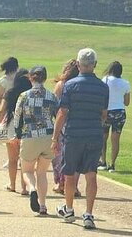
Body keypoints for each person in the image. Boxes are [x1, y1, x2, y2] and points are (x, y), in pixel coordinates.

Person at [52, 48, 109, 230]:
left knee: (69, 174)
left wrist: (55, 137)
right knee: (91, 175)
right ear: (95, 65)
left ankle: (69, 209)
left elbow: (62, 113)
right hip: (94, 134)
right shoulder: (103, 87)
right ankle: (89, 214)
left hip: (74, 134)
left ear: (78, 64)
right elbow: (103, 114)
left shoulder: (70, 85)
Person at [14, 66, 58, 216]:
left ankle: (32, 189)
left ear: (30, 78)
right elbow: (58, 117)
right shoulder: (52, 96)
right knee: (42, 173)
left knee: (27, 170)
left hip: (30, 135)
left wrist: (17, 133)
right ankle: (43, 205)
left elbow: (17, 117)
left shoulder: (24, 96)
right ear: (45, 78)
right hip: (48, 136)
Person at [0, 69, 31, 195]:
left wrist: (0, 125)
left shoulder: (10, 93)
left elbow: (1, 111)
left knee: (12, 159)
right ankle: (24, 188)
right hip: (26, 126)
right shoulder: (29, 94)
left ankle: (12, 184)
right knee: (24, 159)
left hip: (11, 125)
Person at [51, 59, 80, 195]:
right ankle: (73, 185)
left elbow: (55, 106)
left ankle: (61, 183)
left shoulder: (60, 85)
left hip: (62, 123)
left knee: (59, 155)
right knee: (75, 156)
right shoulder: (79, 85)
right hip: (76, 123)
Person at [99, 61, 131, 173]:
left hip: (107, 112)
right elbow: (127, 102)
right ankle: (112, 165)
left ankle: (102, 161)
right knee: (115, 140)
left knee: (103, 137)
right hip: (120, 113)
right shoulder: (126, 83)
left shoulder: (105, 80)